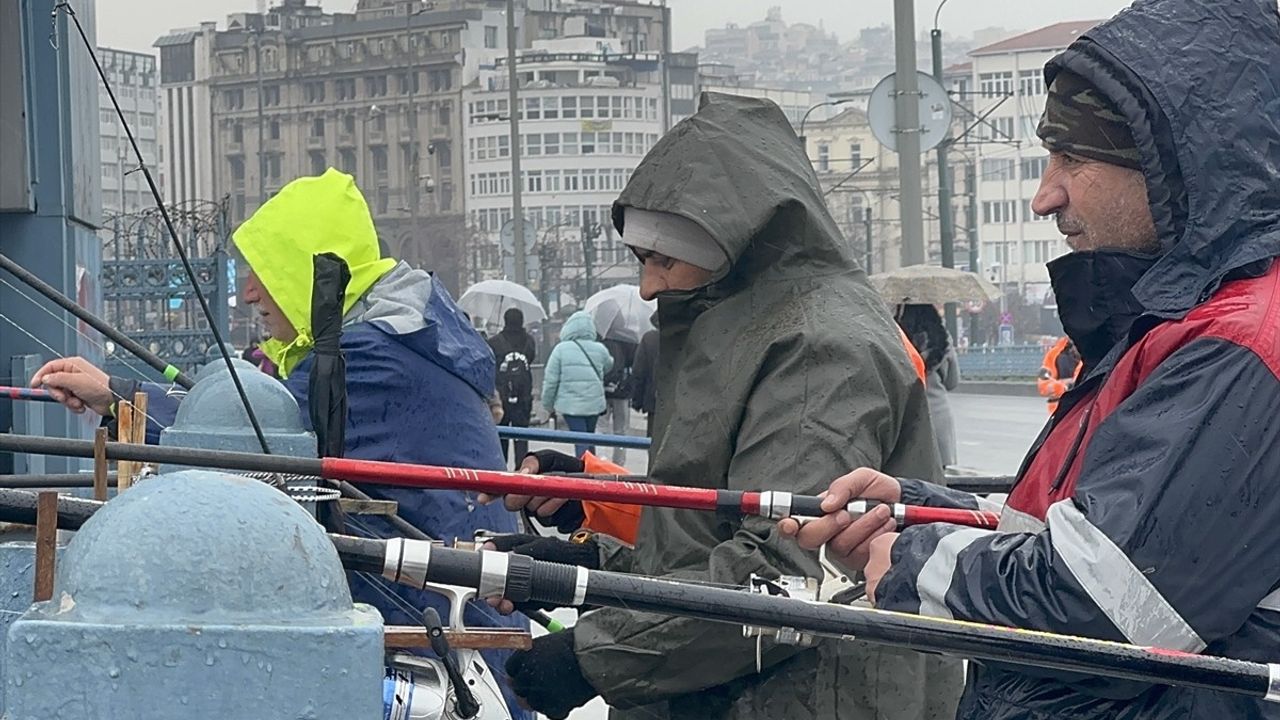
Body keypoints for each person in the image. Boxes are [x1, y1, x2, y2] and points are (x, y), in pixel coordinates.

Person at [784, 1, 1280, 716]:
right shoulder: (1192, 321)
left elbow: (1110, 605)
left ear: (1175, 166)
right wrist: (927, 517)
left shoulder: (1242, 342)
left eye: (1072, 157)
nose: (1045, 195)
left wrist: (913, 566)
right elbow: (1085, 532)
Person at [489, 93, 963, 720]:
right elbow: (705, 533)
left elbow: (784, 571)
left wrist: (594, 657)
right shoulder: (741, 326)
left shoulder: (817, 344)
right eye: (641, 258)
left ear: (729, 246)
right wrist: (588, 564)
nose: (648, 285)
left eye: (664, 258)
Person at [31, 169, 530, 719]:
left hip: (453, 650)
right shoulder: (387, 337)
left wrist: (119, 396)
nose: (247, 291)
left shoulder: (376, 356)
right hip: (453, 626)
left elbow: (259, 440)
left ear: (311, 276)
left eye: (261, 270)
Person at [541, 309, 612, 457]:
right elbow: (609, 364)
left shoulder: (560, 349)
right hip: (594, 403)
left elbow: (551, 380)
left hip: (570, 405)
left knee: (579, 439)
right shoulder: (599, 349)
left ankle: (582, 471)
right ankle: (592, 469)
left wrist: (548, 404)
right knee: (589, 437)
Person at [896, 304, 959, 468]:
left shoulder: (896, 341)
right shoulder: (943, 342)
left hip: (907, 419)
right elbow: (952, 382)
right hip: (938, 416)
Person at [487, 307, 536, 466]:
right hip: (524, 396)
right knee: (521, 437)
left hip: (501, 397)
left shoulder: (494, 342)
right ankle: (522, 473)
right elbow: (531, 359)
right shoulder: (529, 341)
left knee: (501, 437)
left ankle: (501, 472)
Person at [600, 336, 637, 464]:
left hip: (603, 390)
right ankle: (619, 462)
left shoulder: (601, 341)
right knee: (621, 430)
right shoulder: (631, 341)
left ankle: (601, 460)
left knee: (601, 427)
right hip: (623, 391)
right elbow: (635, 365)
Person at [629, 313, 659, 437]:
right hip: (680, 402)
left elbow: (639, 372)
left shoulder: (649, 339)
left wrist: (637, 400)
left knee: (653, 442)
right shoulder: (688, 335)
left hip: (654, 401)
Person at [1037, 336, 1081, 415]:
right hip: (1059, 413)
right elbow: (1043, 385)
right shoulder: (1054, 354)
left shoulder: (1100, 353)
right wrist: (1063, 386)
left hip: (1088, 411)